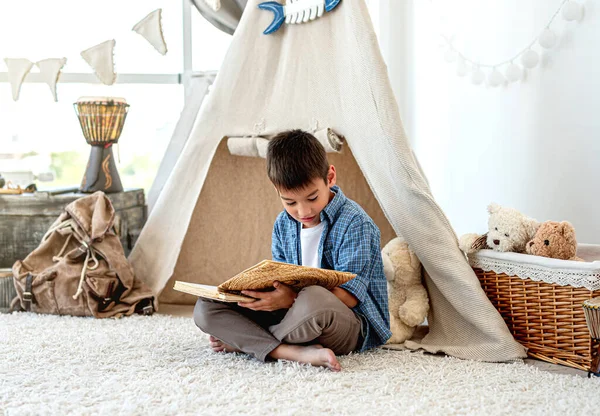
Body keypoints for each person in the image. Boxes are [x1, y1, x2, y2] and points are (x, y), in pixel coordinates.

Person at [193, 129, 391, 371]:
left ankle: (247, 341)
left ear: (330, 177)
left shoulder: (355, 223)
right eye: (290, 202)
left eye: (312, 197)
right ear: (276, 190)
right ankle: (288, 351)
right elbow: (280, 277)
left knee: (314, 297)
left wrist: (292, 298)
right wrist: (263, 295)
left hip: (344, 323)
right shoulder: (283, 224)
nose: (303, 211)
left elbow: (350, 297)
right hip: (292, 316)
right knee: (206, 307)